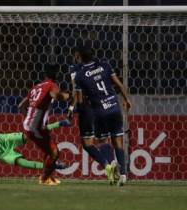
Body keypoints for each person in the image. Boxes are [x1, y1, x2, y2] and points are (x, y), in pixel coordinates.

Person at [73, 46, 132, 186]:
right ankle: (123, 175)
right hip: (114, 107)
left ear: (79, 57)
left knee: (102, 142)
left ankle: (111, 163)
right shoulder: (105, 66)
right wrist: (127, 99)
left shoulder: (80, 75)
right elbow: (118, 83)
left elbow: (80, 101)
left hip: (100, 112)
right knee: (118, 141)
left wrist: (81, 113)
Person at [67, 50, 116, 184]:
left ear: (77, 56)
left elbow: (76, 91)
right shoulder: (100, 66)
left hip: (87, 108)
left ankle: (106, 165)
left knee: (87, 144)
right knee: (104, 140)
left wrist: (71, 107)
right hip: (102, 106)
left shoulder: (75, 69)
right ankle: (112, 161)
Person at [18, 64, 70, 186]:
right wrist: (68, 95)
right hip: (35, 128)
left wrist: (29, 119)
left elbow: (21, 106)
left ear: (45, 75)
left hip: (33, 126)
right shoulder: (51, 85)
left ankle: (49, 177)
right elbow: (57, 96)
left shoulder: (36, 87)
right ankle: (44, 178)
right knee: (55, 153)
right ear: (57, 75)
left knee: (48, 152)